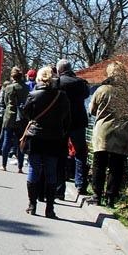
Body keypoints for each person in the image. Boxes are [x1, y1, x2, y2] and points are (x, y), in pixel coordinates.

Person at [21, 66, 70, 217]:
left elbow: (26, 114)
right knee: (51, 171)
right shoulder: (62, 96)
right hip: (54, 138)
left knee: (33, 169)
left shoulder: (33, 95)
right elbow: (67, 119)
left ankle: (32, 205)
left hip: (36, 137)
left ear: (39, 78)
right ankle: (50, 208)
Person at [88, 61, 128, 207]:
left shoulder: (102, 90)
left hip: (103, 132)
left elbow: (92, 110)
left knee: (99, 165)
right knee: (116, 167)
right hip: (122, 132)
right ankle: (111, 198)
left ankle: (97, 195)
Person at [56, 59, 91, 195]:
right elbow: (86, 95)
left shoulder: (58, 83)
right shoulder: (81, 83)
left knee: (60, 153)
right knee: (80, 153)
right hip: (78, 121)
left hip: (61, 121)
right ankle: (80, 184)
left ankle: (59, 187)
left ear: (59, 70)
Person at [0, 67, 29, 172]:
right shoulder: (26, 87)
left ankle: (4, 165)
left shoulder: (8, 88)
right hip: (21, 117)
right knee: (20, 141)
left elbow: (5, 101)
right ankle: (20, 167)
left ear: (12, 76)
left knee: (7, 140)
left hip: (9, 116)